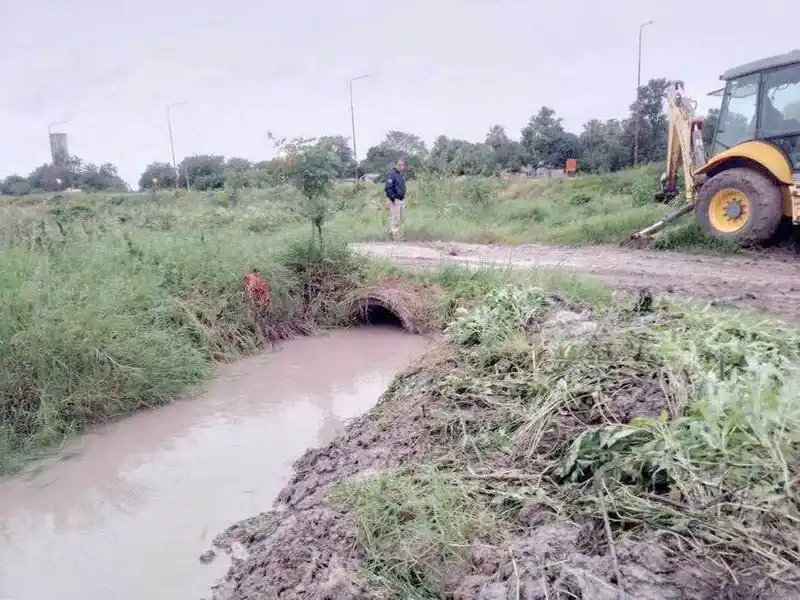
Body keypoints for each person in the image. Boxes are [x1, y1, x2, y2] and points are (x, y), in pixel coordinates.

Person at [384, 158, 406, 241]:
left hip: (401, 200)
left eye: (402, 165)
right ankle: (395, 237)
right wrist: (392, 198)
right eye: (399, 165)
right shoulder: (391, 174)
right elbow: (388, 188)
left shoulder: (400, 175)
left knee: (401, 218)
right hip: (395, 200)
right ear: (395, 165)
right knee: (395, 219)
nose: (401, 167)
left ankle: (398, 236)